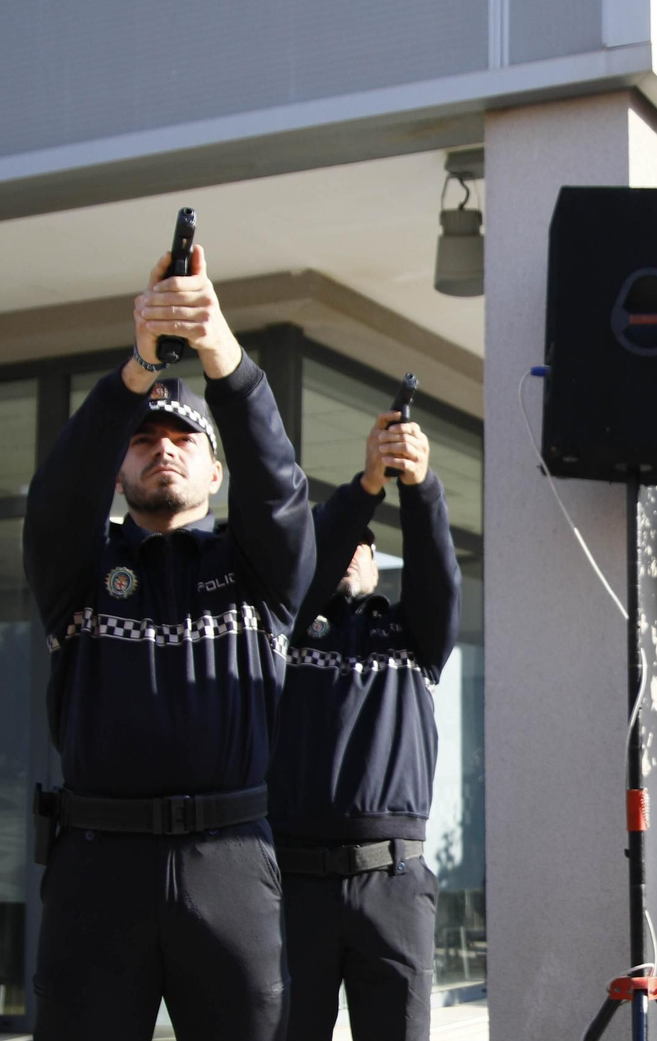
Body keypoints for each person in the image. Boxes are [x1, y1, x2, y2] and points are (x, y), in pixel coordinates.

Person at [22, 244, 315, 1040]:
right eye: (145, 439)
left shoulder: (257, 574)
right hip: (96, 870)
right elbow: (54, 504)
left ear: (215, 472)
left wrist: (224, 355)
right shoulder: (81, 573)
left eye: (185, 439)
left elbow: (282, 493)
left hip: (230, 866)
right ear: (119, 473)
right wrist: (135, 371)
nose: (164, 447)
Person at [267, 412, 461, 1041]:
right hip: (294, 884)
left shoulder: (412, 636)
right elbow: (308, 564)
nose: (352, 552)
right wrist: (368, 486)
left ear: (379, 567)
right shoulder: (283, 632)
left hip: (394, 884)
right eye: (343, 542)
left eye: (365, 546)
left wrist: (418, 483)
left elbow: (439, 574)